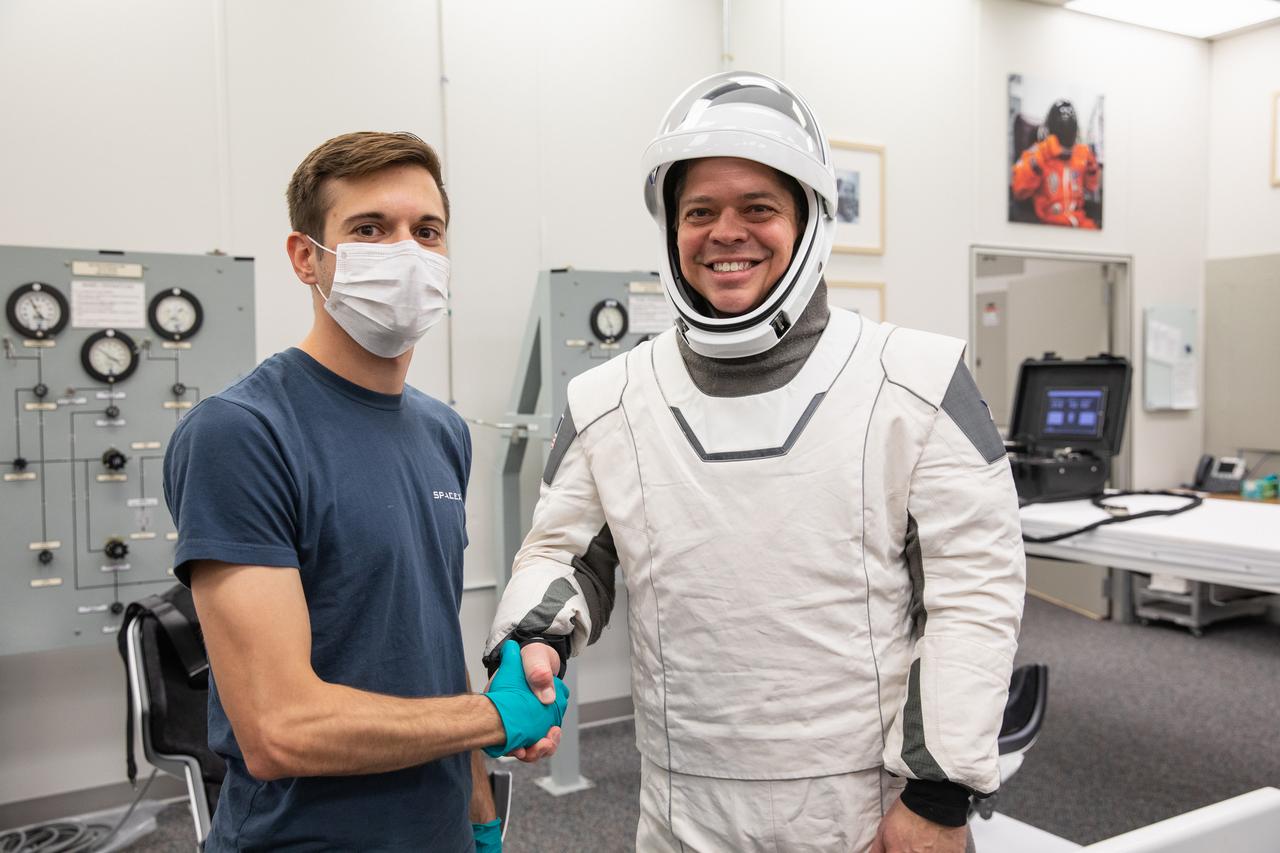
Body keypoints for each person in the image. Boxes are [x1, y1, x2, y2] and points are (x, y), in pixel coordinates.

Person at [484, 73, 1026, 852]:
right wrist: (538, 639)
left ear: (809, 221)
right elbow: (565, 553)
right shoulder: (610, 399)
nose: (724, 232)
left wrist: (939, 797)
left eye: (758, 208)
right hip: (680, 805)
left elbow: (974, 595)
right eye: (698, 211)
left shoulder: (916, 381)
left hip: (870, 809)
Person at [164, 131, 567, 853]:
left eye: (428, 231)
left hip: (437, 830)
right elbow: (280, 728)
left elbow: (430, 646)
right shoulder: (241, 433)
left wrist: (478, 811)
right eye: (370, 229)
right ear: (305, 257)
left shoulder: (443, 431)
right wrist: (495, 716)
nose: (406, 252)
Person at [1011, 99, 1101, 228]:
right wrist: (1039, 160)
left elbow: (1091, 187)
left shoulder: (1081, 154)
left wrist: (1092, 169)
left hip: (1079, 220)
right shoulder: (1037, 153)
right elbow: (1018, 191)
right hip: (1050, 223)